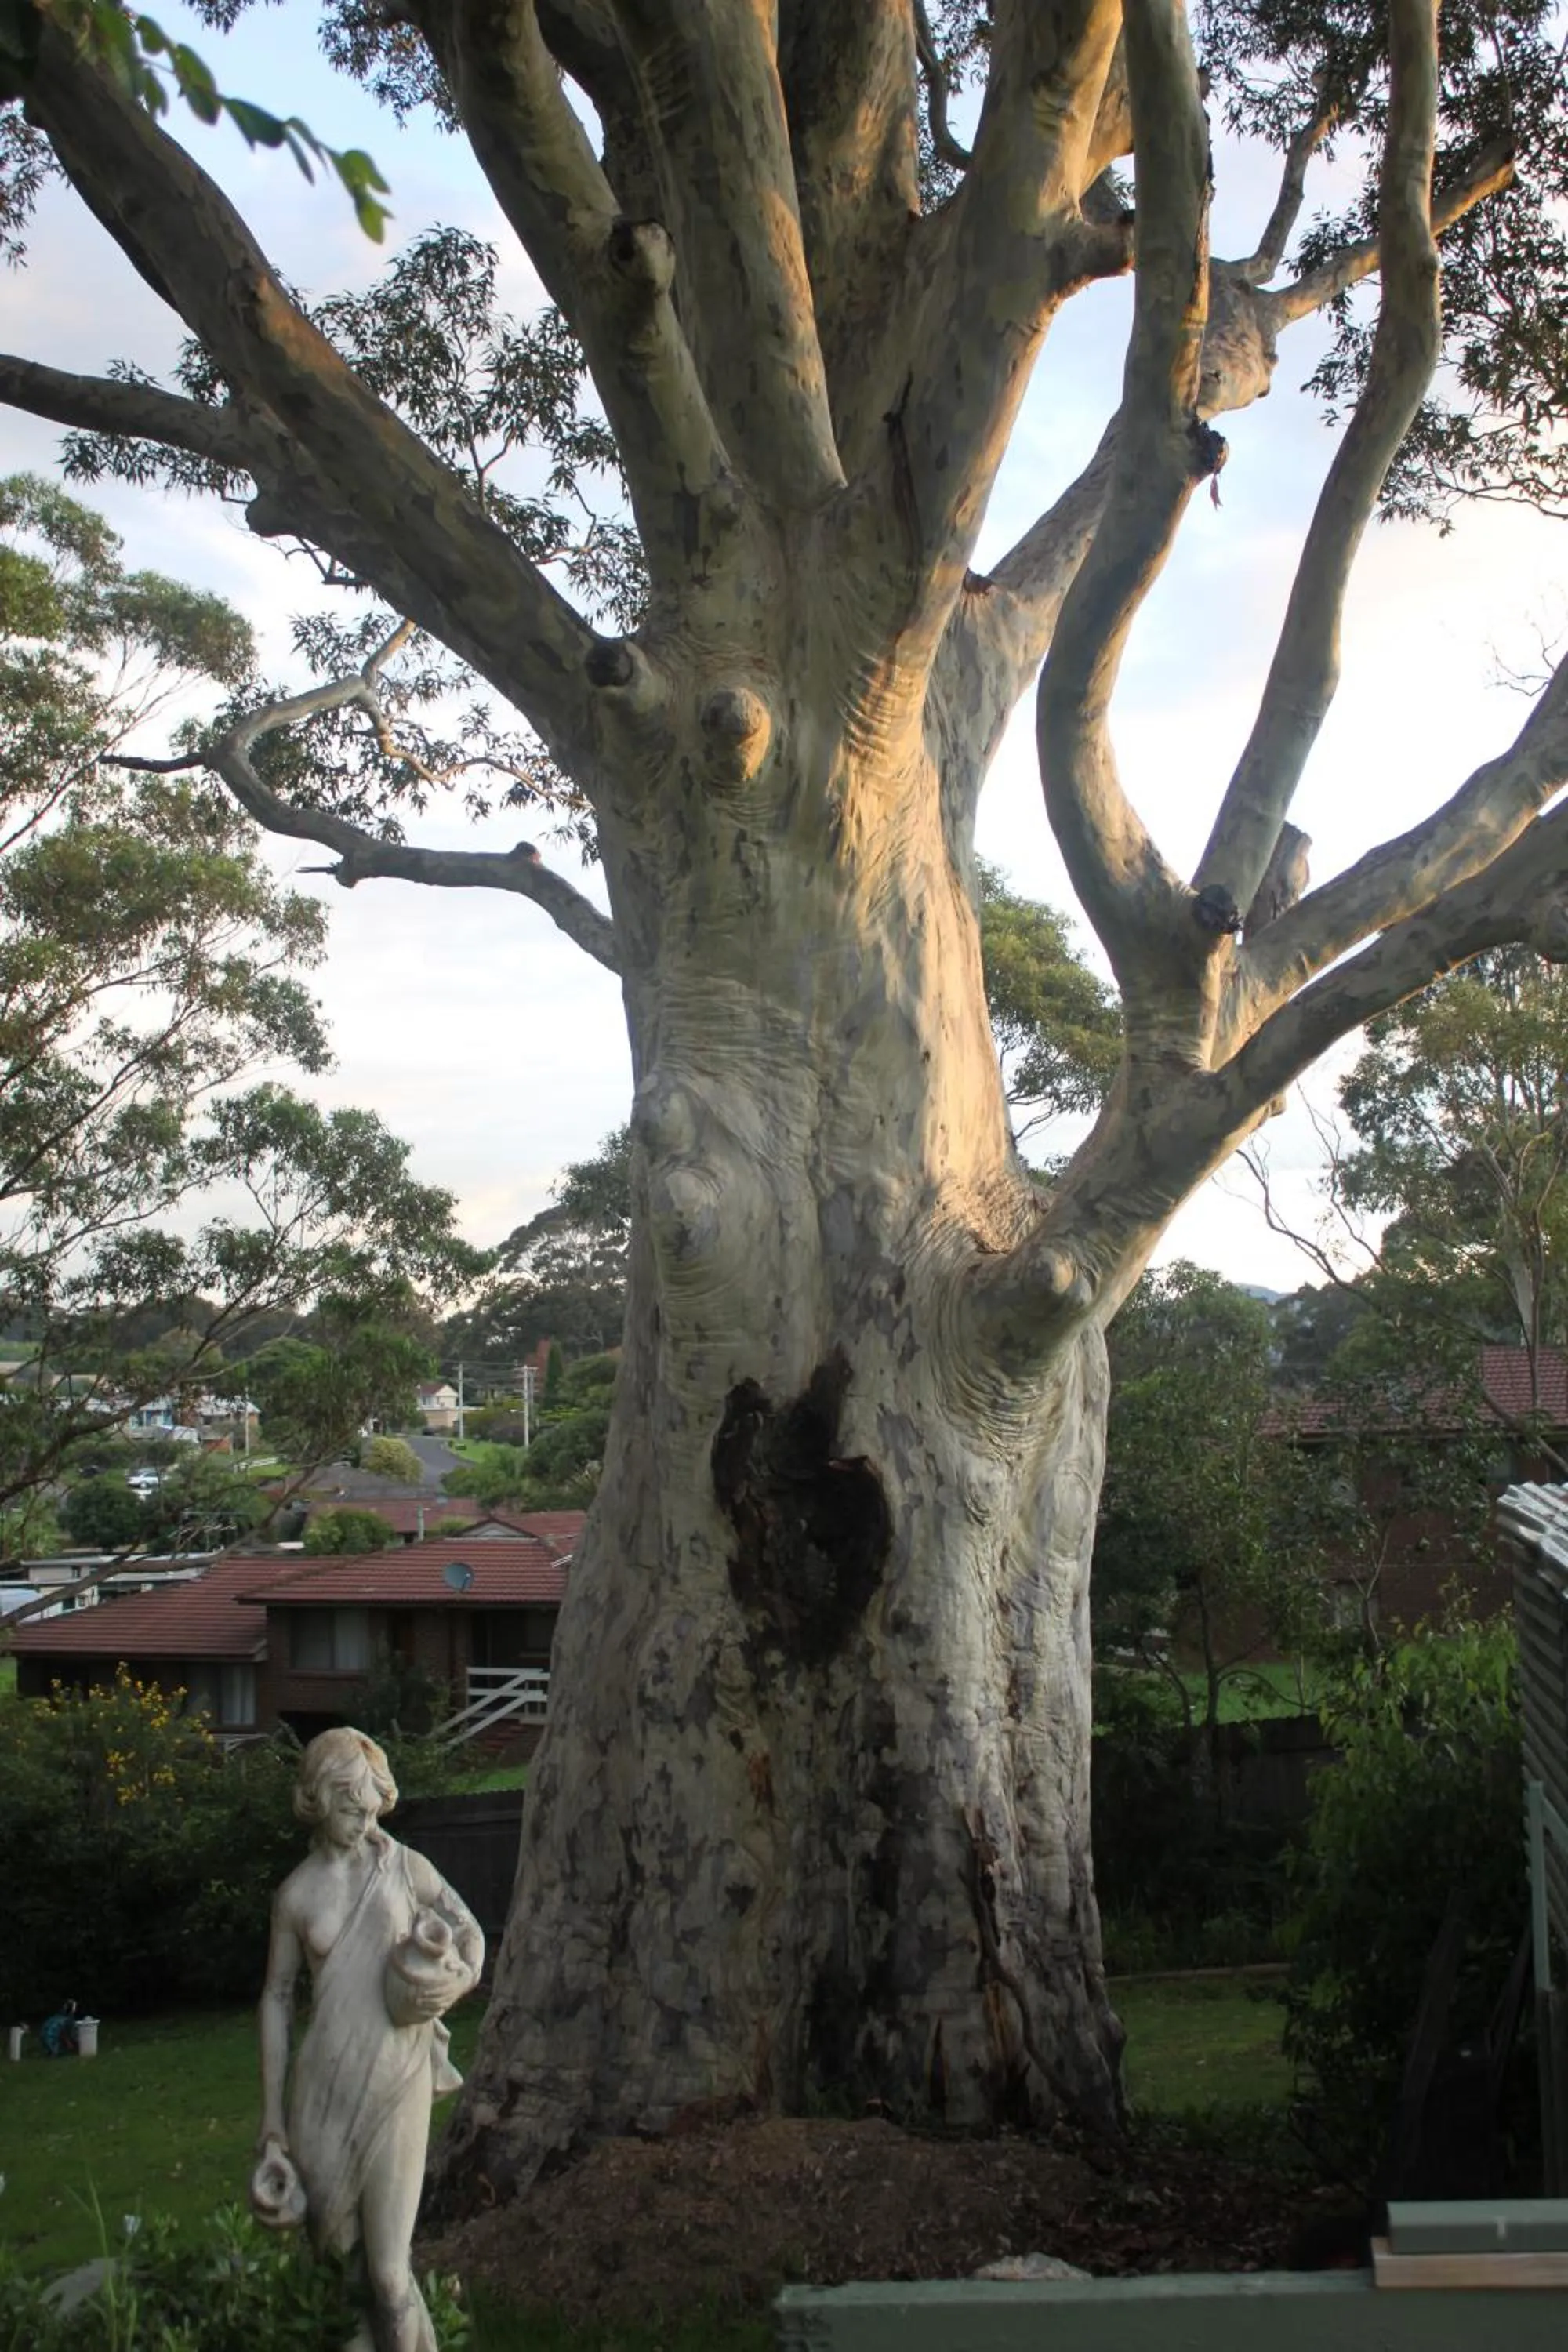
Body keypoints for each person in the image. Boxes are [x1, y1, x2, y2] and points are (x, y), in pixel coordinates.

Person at [252, 1728, 483, 2352]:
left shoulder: (405, 1868)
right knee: (339, 2273)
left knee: (386, 2274)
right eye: (350, 1808)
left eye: (371, 1807)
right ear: (319, 1801)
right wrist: (272, 2122)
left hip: (396, 2079)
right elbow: (276, 1999)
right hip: (321, 2095)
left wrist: (455, 1984)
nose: (363, 1821)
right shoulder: (297, 1894)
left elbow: (468, 1933)